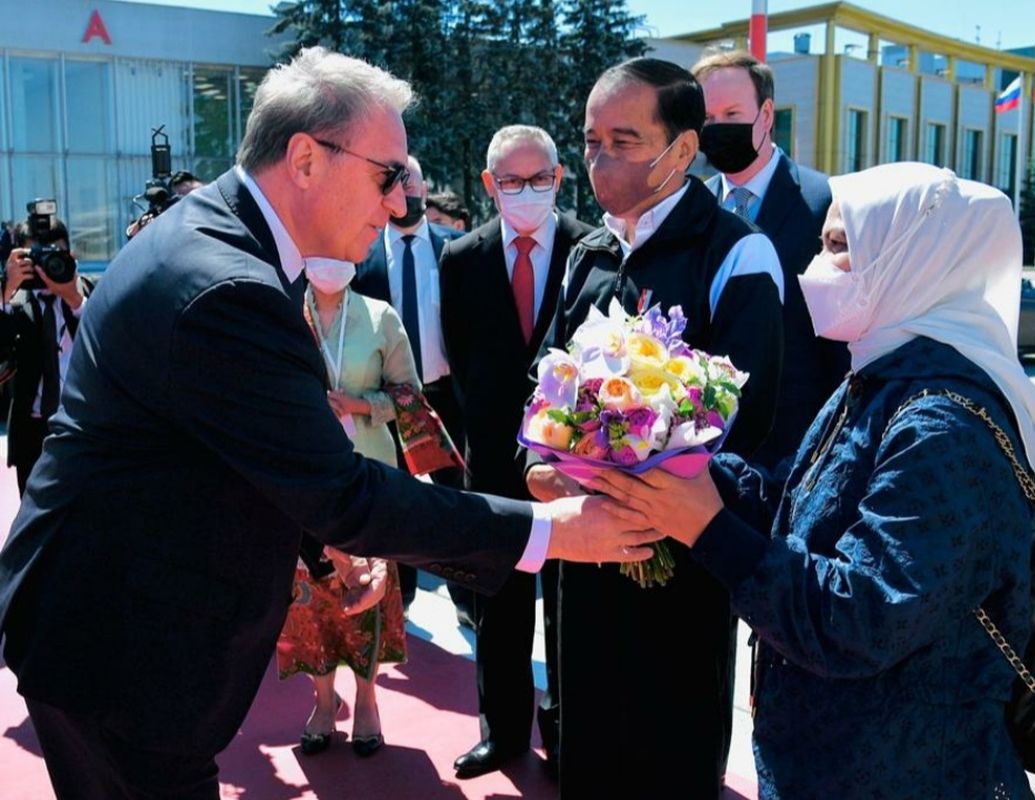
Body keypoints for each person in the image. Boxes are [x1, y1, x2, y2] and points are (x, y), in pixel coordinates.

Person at [0, 47, 657, 800]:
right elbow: (338, 488)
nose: (401, 205)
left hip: (118, 629)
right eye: (389, 177)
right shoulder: (224, 283)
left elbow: (248, 444)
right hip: (119, 648)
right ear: (307, 159)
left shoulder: (224, 243)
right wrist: (554, 532)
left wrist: (326, 547)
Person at [591, 162, 1035, 800]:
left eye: (838, 247)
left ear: (915, 261)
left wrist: (705, 526)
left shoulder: (939, 424)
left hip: (909, 774)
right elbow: (801, 506)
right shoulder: (880, 377)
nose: (814, 265)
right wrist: (683, 465)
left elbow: (862, 619)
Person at [525, 58, 784, 800]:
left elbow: (748, 411)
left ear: (680, 149)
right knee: (590, 751)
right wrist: (538, 465)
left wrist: (645, 485)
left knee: (670, 754)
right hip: (583, 558)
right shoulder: (588, 254)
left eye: (624, 140)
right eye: (591, 140)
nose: (600, 159)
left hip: (677, 570)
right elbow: (542, 383)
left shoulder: (736, 251)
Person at [441, 124, 593, 779]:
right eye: (511, 181)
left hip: (572, 461)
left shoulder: (594, 248)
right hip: (495, 462)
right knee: (497, 597)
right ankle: (502, 732)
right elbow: (460, 355)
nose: (526, 192)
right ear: (488, 184)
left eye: (539, 180)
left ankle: (565, 734)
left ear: (560, 178)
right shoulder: (463, 256)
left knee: (568, 600)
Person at [276, 256, 423, 758]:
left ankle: (366, 698)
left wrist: (358, 404)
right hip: (301, 473)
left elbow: (409, 396)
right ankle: (322, 699)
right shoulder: (285, 314)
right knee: (309, 594)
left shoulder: (380, 316)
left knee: (369, 588)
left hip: (368, 471)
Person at [693, 50, 848, 468]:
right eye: (708, 118)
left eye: (732, 113)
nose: (719, 128)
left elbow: (842, 339)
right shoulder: (693, 208)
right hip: (702, 452)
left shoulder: (824, 202)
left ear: (765, 115)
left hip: (797, 450)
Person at [351, 154, 465, 609]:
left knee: (457, 498)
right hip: (390, 396)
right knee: (396, 498)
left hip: (448, 396)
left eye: (414, 185)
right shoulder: (363, 254)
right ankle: (404, 595)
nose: (409, 195)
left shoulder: (457, 248)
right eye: (399, 186)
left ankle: (464, 596)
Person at [0, 217, 93, 495]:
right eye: (34, 260)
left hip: (84, 425)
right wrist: (5, 291)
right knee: (35, 524)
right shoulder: (14, 302)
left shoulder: (90, 291)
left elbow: (108, 344)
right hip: (33, 431)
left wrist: (73, 299)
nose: (44, 269)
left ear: (70, 256)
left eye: (53, 256)